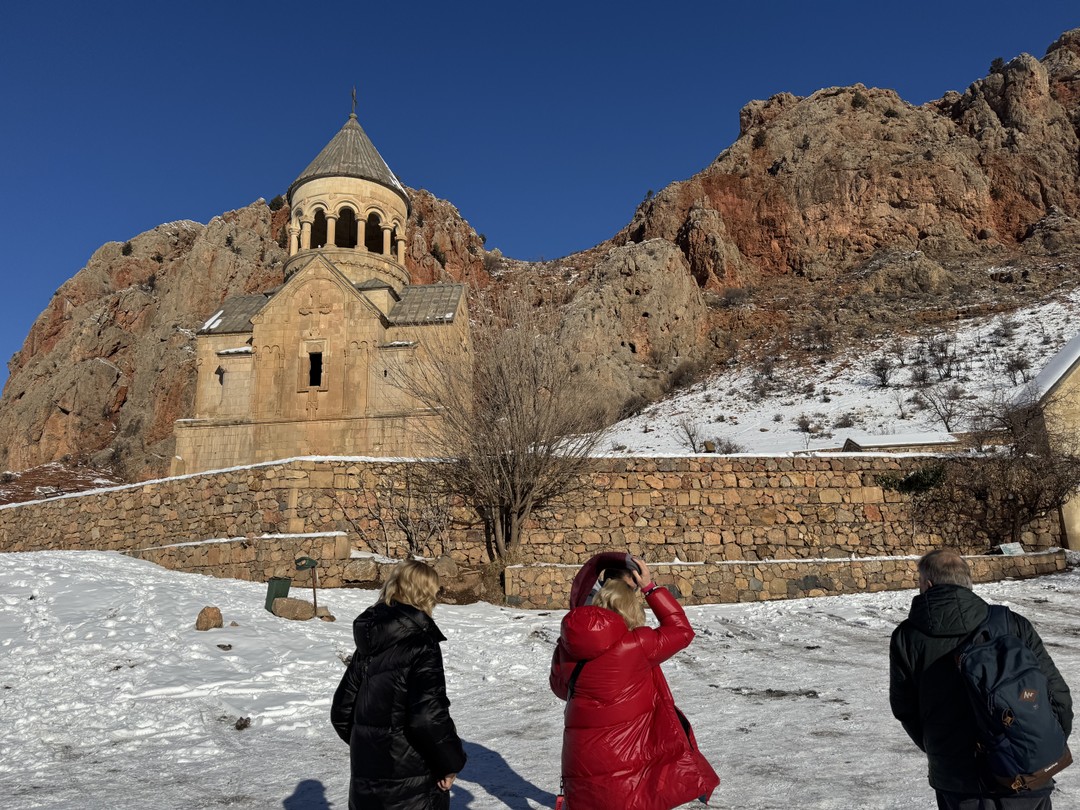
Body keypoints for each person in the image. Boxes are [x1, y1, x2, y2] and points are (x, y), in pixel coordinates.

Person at [890, 548, 1072, 810]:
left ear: (927, 584)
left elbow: (905, 709)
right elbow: (1057, 694)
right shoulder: (1012, 623)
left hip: (958, 782)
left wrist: (941, 750)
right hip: (1025, 771)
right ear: (967, 583)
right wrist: (1040, 743)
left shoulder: (906, 637)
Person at [550, 556, 719, 809]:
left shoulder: (569, 646)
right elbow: (682, 631)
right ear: (631, 608)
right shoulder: (637, 645)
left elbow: (561, 689)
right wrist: (650, 588)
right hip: (626, 752)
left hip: (581, 755)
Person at [331, 558, 466, 810]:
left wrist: (374, 750)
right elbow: (427, 717)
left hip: (367, 786)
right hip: (413, 786)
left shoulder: (369, 642)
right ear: (425, 593)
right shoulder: (421, 643)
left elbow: (341, 711)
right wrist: (450, 764)